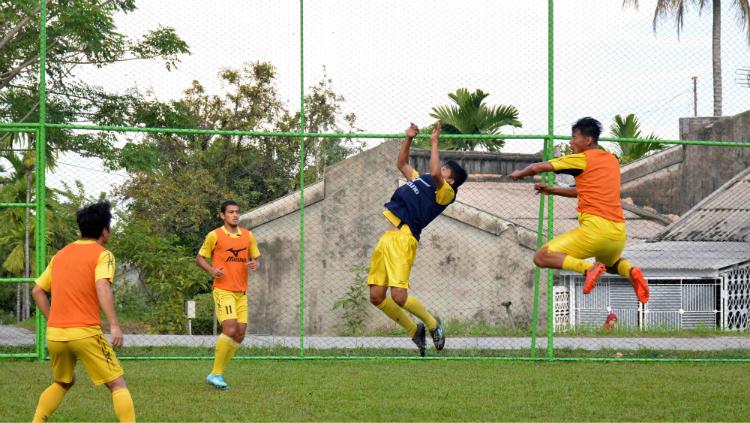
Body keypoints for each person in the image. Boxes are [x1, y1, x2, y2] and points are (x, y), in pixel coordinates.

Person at [509, 117, 649, 304]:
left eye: (574, 137)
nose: (571, 142)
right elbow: (583, 191)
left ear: (588, 140)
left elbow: (538, 167)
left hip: (595, 230)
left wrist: (519, 174)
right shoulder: (611, 160)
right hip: (617, 233)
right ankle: (631, 271)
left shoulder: (583, 158)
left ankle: (587, 268)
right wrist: (552, 190)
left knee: (542, 257)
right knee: (611, 265)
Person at [368, 121, 468, 356]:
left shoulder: (445, 193)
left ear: (450, 180)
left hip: (404, 239)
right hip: (388, 237)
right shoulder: (420, 179)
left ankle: (434, 324)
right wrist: (409, 138)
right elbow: (401, 164)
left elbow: (434, 173)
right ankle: (415, 330)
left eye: (445, 169)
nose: (439, 169)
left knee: (399, 296)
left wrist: (434, 141)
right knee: (376, 296)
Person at [31, 201, 135, 422]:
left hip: (56, 335)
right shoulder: (102, 255)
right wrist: (114, 325)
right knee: (117, 384)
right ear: (105, 230)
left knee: (63, 382)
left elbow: (38, 291)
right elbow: (102, 285)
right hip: (85, 332)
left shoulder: (60, 255)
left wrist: (53, 321)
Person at [196, 200, 260, 389]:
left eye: (237, 212)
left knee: (240, 334)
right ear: (222, 215)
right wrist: (211, 270)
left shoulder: (248, 236)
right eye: (231, 212)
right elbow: (199, 259)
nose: (235, 215)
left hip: (241, 292)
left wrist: (255, 264)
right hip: (223, 290)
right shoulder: (214, 235)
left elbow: (256, 259)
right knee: (230, 328)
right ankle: (216, 373)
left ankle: (217, 374)